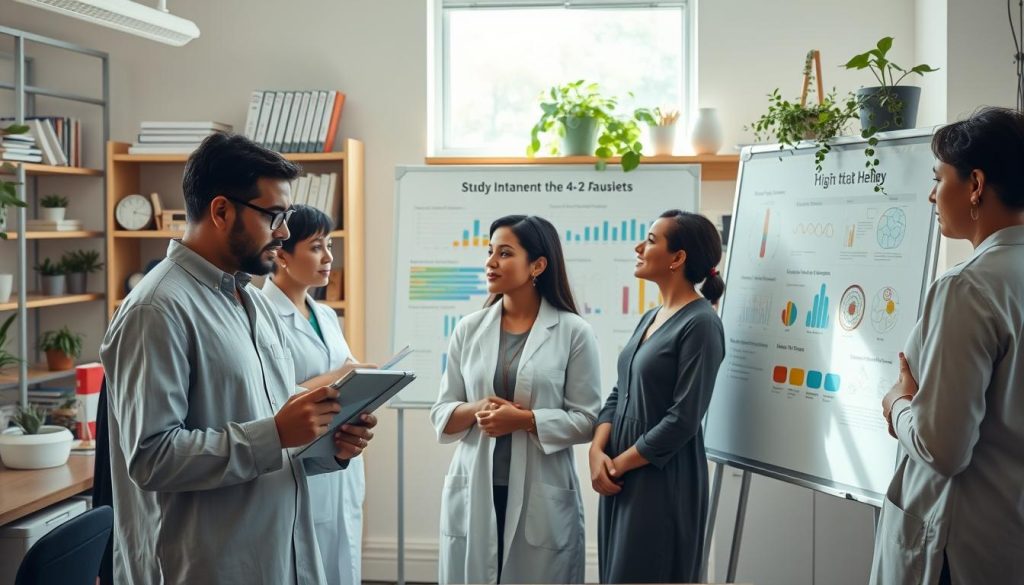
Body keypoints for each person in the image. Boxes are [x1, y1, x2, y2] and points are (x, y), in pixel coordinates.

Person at [100, 133, 376, 585]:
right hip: (208, 566)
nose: (284, 231)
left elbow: (273, 421)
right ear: (222, 211)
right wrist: (275, 434)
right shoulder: (157, 309)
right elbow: (151, 457)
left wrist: (331, 443)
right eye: (274, 215)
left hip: (275, 556)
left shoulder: (251, 300)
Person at [873, 107, 1024, 585]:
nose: (932, 194)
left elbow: (944, 448)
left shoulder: (968, 287)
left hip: (957, 550)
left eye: (939, 178)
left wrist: (897, 404)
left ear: (975, 185)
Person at [429, 214, 601, 584]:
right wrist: (478, 409)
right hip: (476, 484)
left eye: (504, 253)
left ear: (538, 264)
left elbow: (587, 418)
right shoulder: (469, 329)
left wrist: (526, 421)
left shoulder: (573, 332)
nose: (490, 262)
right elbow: (442, 410)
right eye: (490, 251)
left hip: (541, 488)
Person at [591, 209, 726, 584]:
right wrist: (596, 451)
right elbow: (621, 389)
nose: (639, 247)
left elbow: (684, 419)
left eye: (651, 241)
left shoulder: (702, 324)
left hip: (661, 478)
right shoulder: (651, 316)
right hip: (622, 471)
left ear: (678, 258)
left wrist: (619, 464)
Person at [262, 205, 365, 585]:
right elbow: (269, 394)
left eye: (330, 245)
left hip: (339, 456)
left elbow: (346, 370)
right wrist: (339, 377)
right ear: (283, 255)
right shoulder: (262, 314)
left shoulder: (324, 314)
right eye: (317, 247)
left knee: (341, 561)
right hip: (295, 460)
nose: (329, 258)